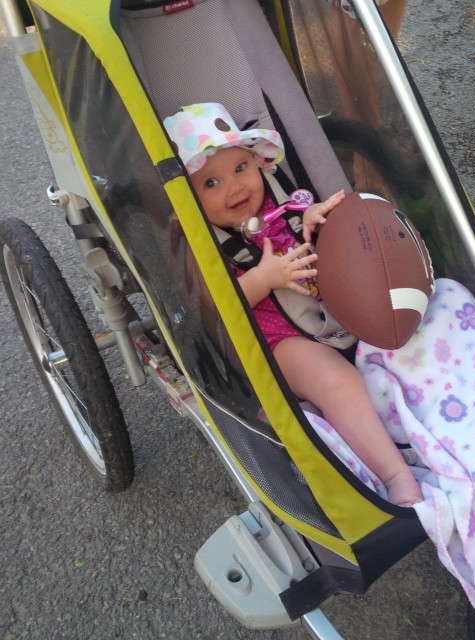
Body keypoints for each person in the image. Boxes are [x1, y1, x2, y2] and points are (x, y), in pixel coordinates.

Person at [164, 102, 422, 507]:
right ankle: (395, 474)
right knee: (335, 381)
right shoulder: (203, 244)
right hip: (276, 340)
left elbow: (301, 229)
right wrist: (263, 278)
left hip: (331, 310)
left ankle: (422, 408)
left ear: (257, 164)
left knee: (402, 325)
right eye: (210, 183)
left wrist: (313, 221)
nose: (234, 188)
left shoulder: (276, 201)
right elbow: (215, 307)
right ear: (190, 198)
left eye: (240, 169)